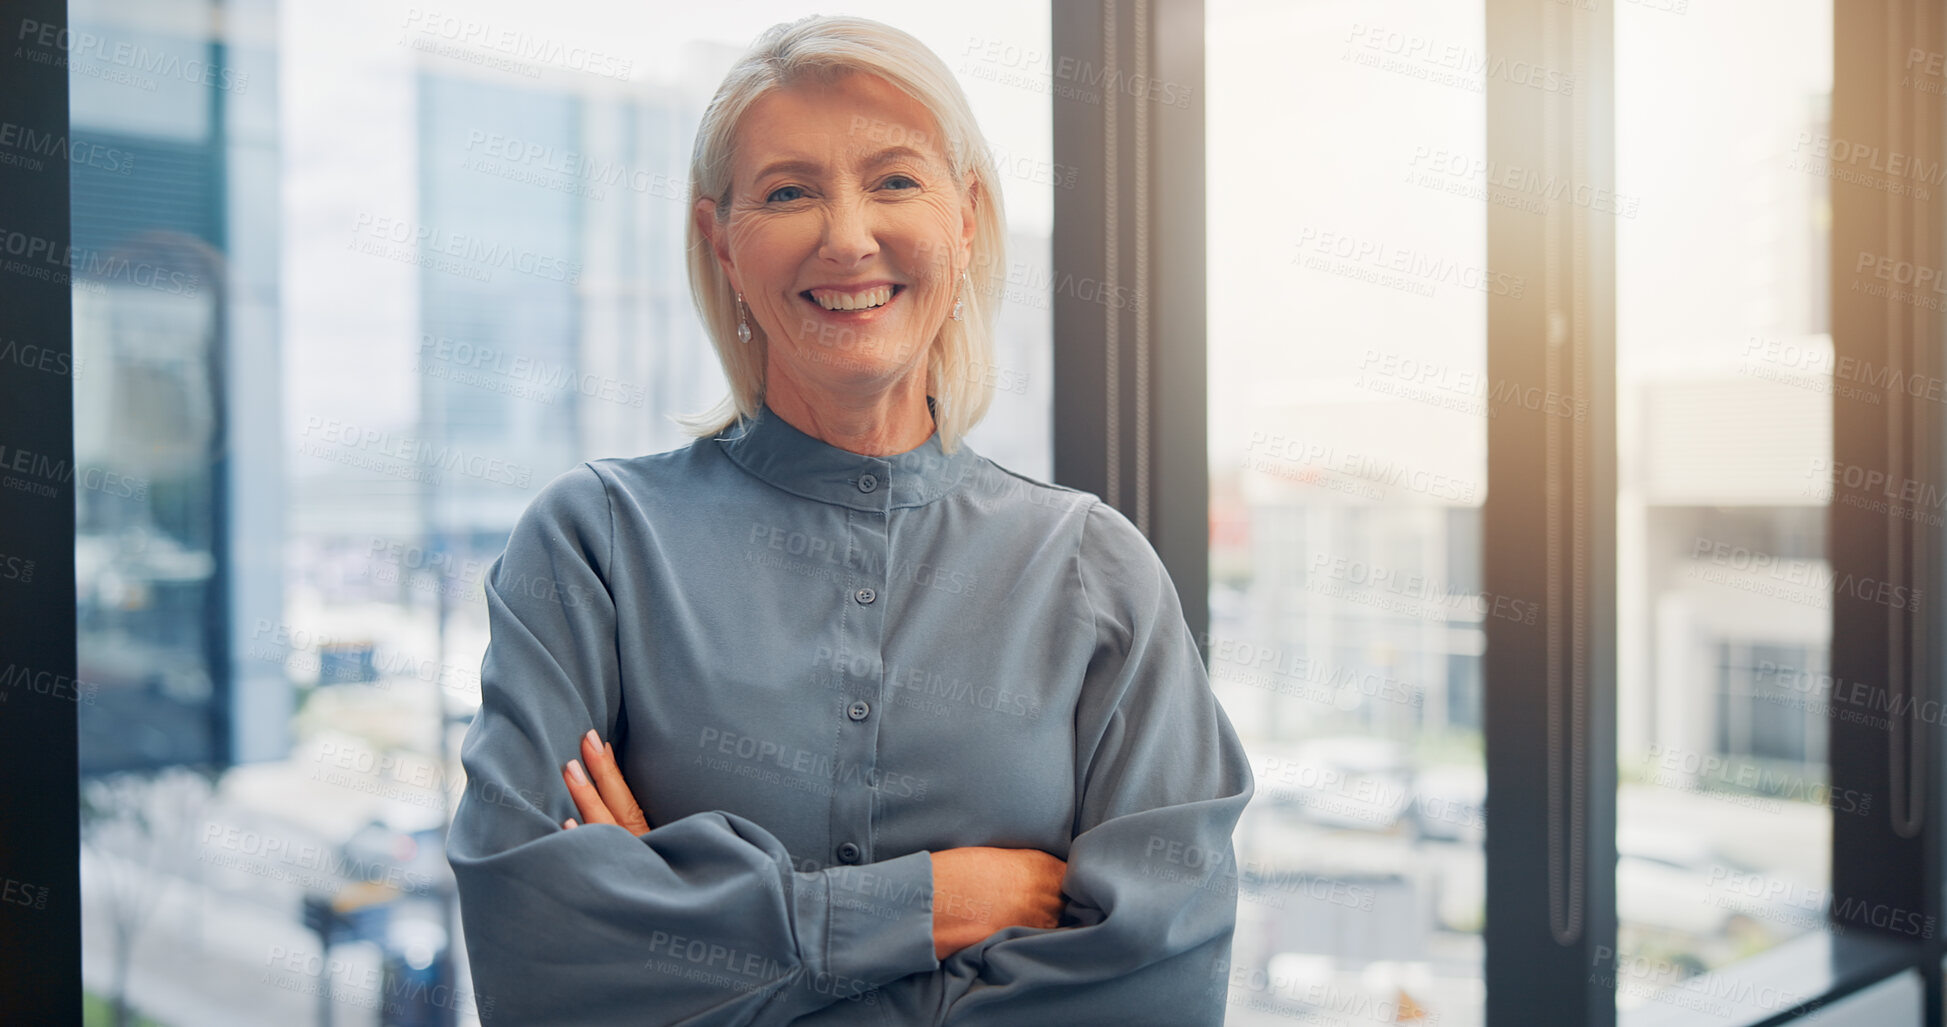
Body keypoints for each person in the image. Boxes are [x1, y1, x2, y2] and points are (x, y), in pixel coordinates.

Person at [446, 14, 1252, 1025]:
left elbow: (1156, 994)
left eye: (895, 180)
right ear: (721, 243)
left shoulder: (1096, 573)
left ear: (966, 220)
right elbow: (541, 964)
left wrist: (701, 936)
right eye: (788, 192)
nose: (847, 236)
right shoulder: (592, 546)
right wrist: (935, 905)